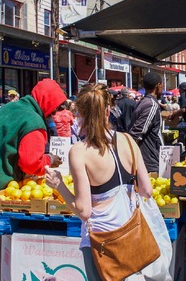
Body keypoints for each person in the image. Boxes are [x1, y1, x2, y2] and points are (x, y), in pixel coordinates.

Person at [44, 83, 153, 281]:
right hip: (131, 235)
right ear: (108, 110)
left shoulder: (79, 151)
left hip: (101, 244)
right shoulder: (128, 141)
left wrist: (59, 185)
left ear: (79, 114)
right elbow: (147, 190)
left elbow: (84, 211)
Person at [0, 79, 65, 280]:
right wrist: (49, 159)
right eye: (54, 109)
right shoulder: (33, 122)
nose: (54, 114)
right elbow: (30, 163)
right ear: (47, 102)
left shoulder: (11, 107)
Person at [128, 72, 164, 173]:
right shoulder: (151, 105)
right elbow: (137, 132)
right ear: (158, 85)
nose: (162, 87)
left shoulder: (143, 102)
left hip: (146, 159)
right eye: (162, 84)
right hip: (149, 161)